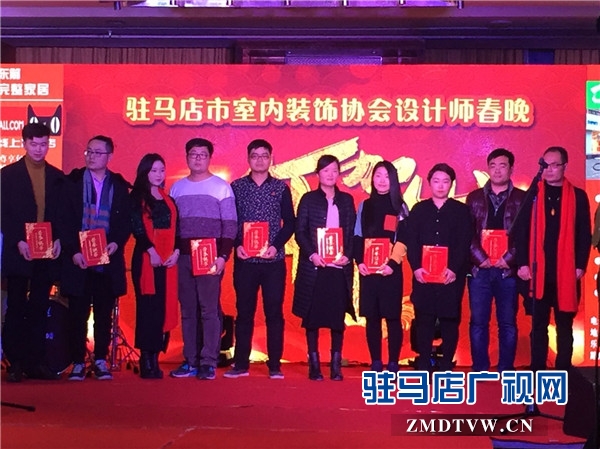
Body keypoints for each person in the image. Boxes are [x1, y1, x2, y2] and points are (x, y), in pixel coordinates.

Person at [61, 135, 131, 381]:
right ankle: (78, 361)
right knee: (77, 313)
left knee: (103, 314)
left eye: (97, 152)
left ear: (109, 156)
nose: (91, 156)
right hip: (78, 259)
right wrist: (73, 251)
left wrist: (116, 242)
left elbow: (125, 221)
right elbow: (63, 220)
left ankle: (100, 359)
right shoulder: (72, 182)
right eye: (88, 151)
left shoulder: (119, 186)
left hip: (106, 260)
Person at [225, 139, 295, 380]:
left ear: (271, 159)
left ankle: (274, 364)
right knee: (244, 312)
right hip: (245, 261)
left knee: (274, 312)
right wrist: (237, 244)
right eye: (255, 156)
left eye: (264, 155)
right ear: (248, 159)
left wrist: (276, 247)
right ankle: (240, 364)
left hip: (272, 262)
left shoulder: (281, 188)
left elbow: (290, 223)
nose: (260, 160)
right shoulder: (236, 187)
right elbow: (231, 221)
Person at [169, 138, 237, 381]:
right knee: (188, 310)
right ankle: (190, 360)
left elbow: (230, 225)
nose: (197, 158)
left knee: (209, 309)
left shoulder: (221, 187)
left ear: (210, 158)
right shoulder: (177, 188)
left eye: (202, 154)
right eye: (193, 154)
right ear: (186, 157)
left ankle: (208, 361)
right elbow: (173, 227)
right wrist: (175, 251)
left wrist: (223, 256)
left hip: (209, 255)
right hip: (184, 257)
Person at [518, 146, 591, 371]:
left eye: (554, 165)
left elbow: (584, 233)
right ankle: (537, 368)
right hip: (538, 271)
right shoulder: (533, 195)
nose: (549, 170)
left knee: (564, 326)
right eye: (545, 165)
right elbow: (521, 231)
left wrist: (580, 265)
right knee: (538, 325)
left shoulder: (577, 196)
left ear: (564, 166)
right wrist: (522, 263)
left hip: (566, 270)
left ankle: (563, 370)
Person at [0, 123, 64, 382]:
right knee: (16, 305)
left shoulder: (57, 176)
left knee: (39, 306)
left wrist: (59, 238)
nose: (39, 149)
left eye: (43, 144)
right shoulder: (7, 175)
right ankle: (14, 363)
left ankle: (35, 362)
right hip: (19, 250)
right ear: (24, 143)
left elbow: (62, 214)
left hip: (46, 250)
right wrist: (18, 240)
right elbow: (3, 213)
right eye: (34, 144)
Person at [292, 155, 356, 381]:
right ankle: (314, 364)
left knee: (337, 318)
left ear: (339, 173)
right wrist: (312, 254)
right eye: (326, 170)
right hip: (315, 267)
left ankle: (336, 365)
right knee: (312, 318)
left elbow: (353, 233)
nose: (330, 175)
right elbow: (300, 231)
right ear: (318, 173)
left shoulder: (346, 200)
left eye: (334, 170)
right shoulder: (308, 199)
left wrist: (348, 255)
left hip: (338, 268)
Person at [405, 163, 473, 372]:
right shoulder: (419, 210)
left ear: (451, 184)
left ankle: (446, 365)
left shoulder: (461, 211)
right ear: (430, 183)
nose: (441, 185)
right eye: (436, 181)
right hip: (423, 275)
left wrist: (453, 268)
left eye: (445, 181)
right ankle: (424, 362)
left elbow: (464, 242)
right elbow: (412, 241)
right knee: (424, 319)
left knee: (449, 320)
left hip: (450, 276)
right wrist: (416, 268)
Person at [466, 148, 525, 373]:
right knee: (478, 323)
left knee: (507, 323)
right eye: (493, 166)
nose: (497, 170)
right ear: (488, 168)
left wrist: (509, 259)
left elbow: (526, 235)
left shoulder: (522, 198)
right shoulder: (474, 198)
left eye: (502, 165)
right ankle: (480, 368)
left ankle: (505, 368)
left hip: (507, 271)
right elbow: (467, 233)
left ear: (511, 169)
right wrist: (480, 258)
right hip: (479, 270)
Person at [354, 161, 409, 373]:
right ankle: (376, 361)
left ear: (393, 180)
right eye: (378, 175)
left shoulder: (400, 207)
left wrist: (393, 264)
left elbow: (403, 238)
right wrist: (359, 262)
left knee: (393, 317)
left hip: (390, 271)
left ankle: (393, 361)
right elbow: (357, 235)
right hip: (368, 270)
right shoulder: (364, 206)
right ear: (372, 178)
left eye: (386, 176)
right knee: (372, 317)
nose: (382, 180)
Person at [130, 153, 180, 379]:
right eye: (154, 170)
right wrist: (151, 251)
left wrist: (176, 252)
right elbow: (137, 228)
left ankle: (155, 357)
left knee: (162, 309)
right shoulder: (136, 198)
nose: (159, 174)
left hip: (167, 262)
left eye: (162, 170)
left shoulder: (169, 200)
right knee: (147, 309)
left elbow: (178, 230)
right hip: (146, 260)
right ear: (145, 172)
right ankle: (146, 359)